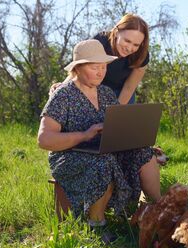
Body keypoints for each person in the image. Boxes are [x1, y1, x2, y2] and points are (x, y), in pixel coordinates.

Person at [38, 40, 156, 237]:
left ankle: (160, 207)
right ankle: (96, 225)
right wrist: (85, 135)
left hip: (103, 149)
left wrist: (131, 135)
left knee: (144, 152)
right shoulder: (63, 95)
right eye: (95, 67)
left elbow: (116, 126)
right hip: (68, 156)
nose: (101, 72)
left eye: (103, 67)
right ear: (78, 68)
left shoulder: (106, 93)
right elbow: (44, 139)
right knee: (104, 162)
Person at [52, 13, 161, 203]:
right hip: (95, 84)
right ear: (116, 31)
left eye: (136, 44)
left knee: (122, 139)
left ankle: (135, 187)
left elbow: (129, 87)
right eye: (127, 40)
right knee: (90, 130)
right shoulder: (100, 42)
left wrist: (114, 115)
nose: (130, 47)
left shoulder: (141, 55)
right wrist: (63, 87)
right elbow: (80, 68)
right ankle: (88, 167)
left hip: (122, 90)